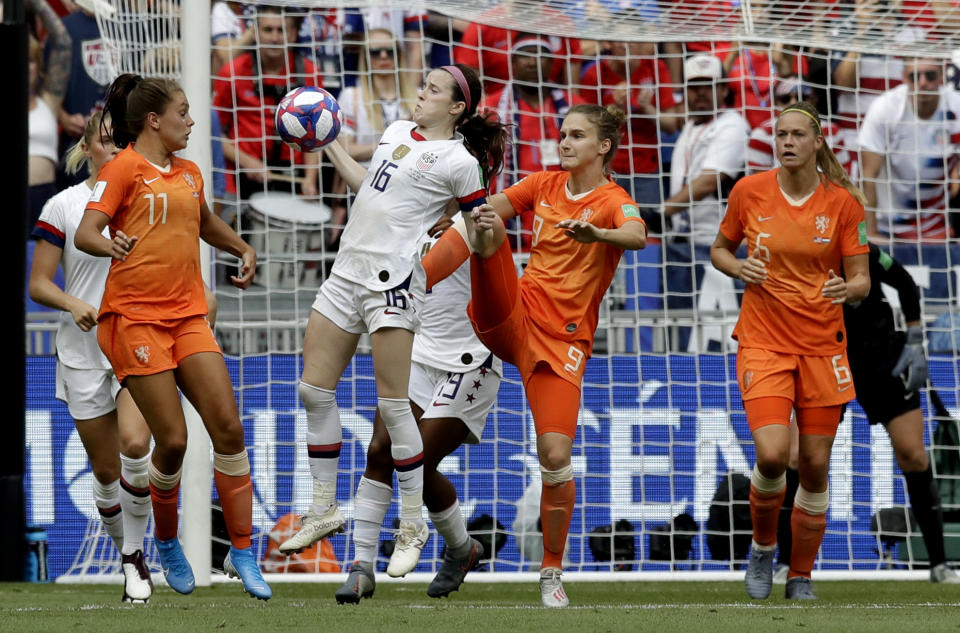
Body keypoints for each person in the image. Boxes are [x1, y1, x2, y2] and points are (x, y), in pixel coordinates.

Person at [277, 64, 507, 581]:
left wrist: (484, 225)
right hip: (349, 271)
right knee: (313, 392)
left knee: (391, 408)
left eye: (432, 89)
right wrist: (329, 141)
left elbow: (480, 236)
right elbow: (370, 190)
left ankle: (411, 528)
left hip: (402, 293)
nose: (419, 93)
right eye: (421, 84)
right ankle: (324, 510)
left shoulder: (459, 162)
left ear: (456, 108)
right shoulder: (397, 133)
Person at [441, 103, 647, 607]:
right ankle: (417, 275)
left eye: (577, 136)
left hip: (562, 342)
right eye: (562, 133)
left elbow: (638, 235)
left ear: (603, 147)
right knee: (485, 226)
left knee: (555, 458)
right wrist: (448, 227)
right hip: (514, 315)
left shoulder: (613, 202)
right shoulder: (542, 185)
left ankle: (551, 570)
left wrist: (598, 234)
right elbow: (491, 211)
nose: (564, 142)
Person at [74, 73, 270, 600]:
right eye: (183, 111)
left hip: (186, 316)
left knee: (228, 428)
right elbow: (86, 232)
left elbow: (203, 221)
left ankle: (243, 553)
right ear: (154, 120)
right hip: (133, 319)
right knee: (174, 441)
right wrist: (108, 246)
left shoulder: (188, 172)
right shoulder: (122, 169)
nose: (191, 119)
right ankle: (164, 541)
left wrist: (242, 249)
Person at [710, 101, 870, 601]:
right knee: (775, 455)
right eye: (781, 134)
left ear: (817, 141)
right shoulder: (748, 192)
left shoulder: (844, 202)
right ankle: (762, 549)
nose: (788, 142)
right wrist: (739, 269)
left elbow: (862, 277)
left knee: (815, 466)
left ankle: (799, 574)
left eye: (798, 134)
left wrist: (849, 289)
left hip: (823, 347)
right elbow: (719, 250)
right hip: (764, 342)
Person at [334, 221, 503, 603]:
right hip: (419, 352)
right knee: (379, 451)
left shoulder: (483, 221)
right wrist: (333, 155)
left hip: (470, 360)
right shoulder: (412, 207)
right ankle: (361, 568)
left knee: (416, 461)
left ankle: (461, 548)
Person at [775, 244, 960, 584]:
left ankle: (939, 564)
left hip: (881, 358)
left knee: (914, 456)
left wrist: (916, 339)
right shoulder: (800, 251)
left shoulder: (865, 251)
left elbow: (905, 282)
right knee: (798, 457)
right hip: (826, 359)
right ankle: (786, 562)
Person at [29, 112, 154, 604]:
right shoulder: (63, 206)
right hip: (82, 350)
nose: (114, 149)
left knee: (135, 444)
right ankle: (129, 555)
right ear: (86, 148)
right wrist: (73, 303)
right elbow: (38, 284)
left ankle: (138, 555)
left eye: (121, 141)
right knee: (105, 473)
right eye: (105, 141)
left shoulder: (144, 197)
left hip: (135, 343)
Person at [482, 33, 584, 249]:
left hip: (564, 208)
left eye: (539, 55)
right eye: (524, 55)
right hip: (510, 212)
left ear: (552, 63)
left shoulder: (575, 107)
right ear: (513, 62)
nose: (531, 61)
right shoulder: (491, 109)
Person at [858, 57, 960, 240]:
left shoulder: (956, 107)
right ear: (904, 78)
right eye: (915, 77)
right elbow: (867, 176)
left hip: (935, 225)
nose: (923, 83)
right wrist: (871, 235)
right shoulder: (885, 109)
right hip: (887, 225)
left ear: (941, 76)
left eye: (930, 76)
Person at [29, 0, 71, 236]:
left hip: (43, 197)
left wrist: (36, 2)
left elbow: (63, 41)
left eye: (31, 60)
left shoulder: (49, 101)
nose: (26, 67)